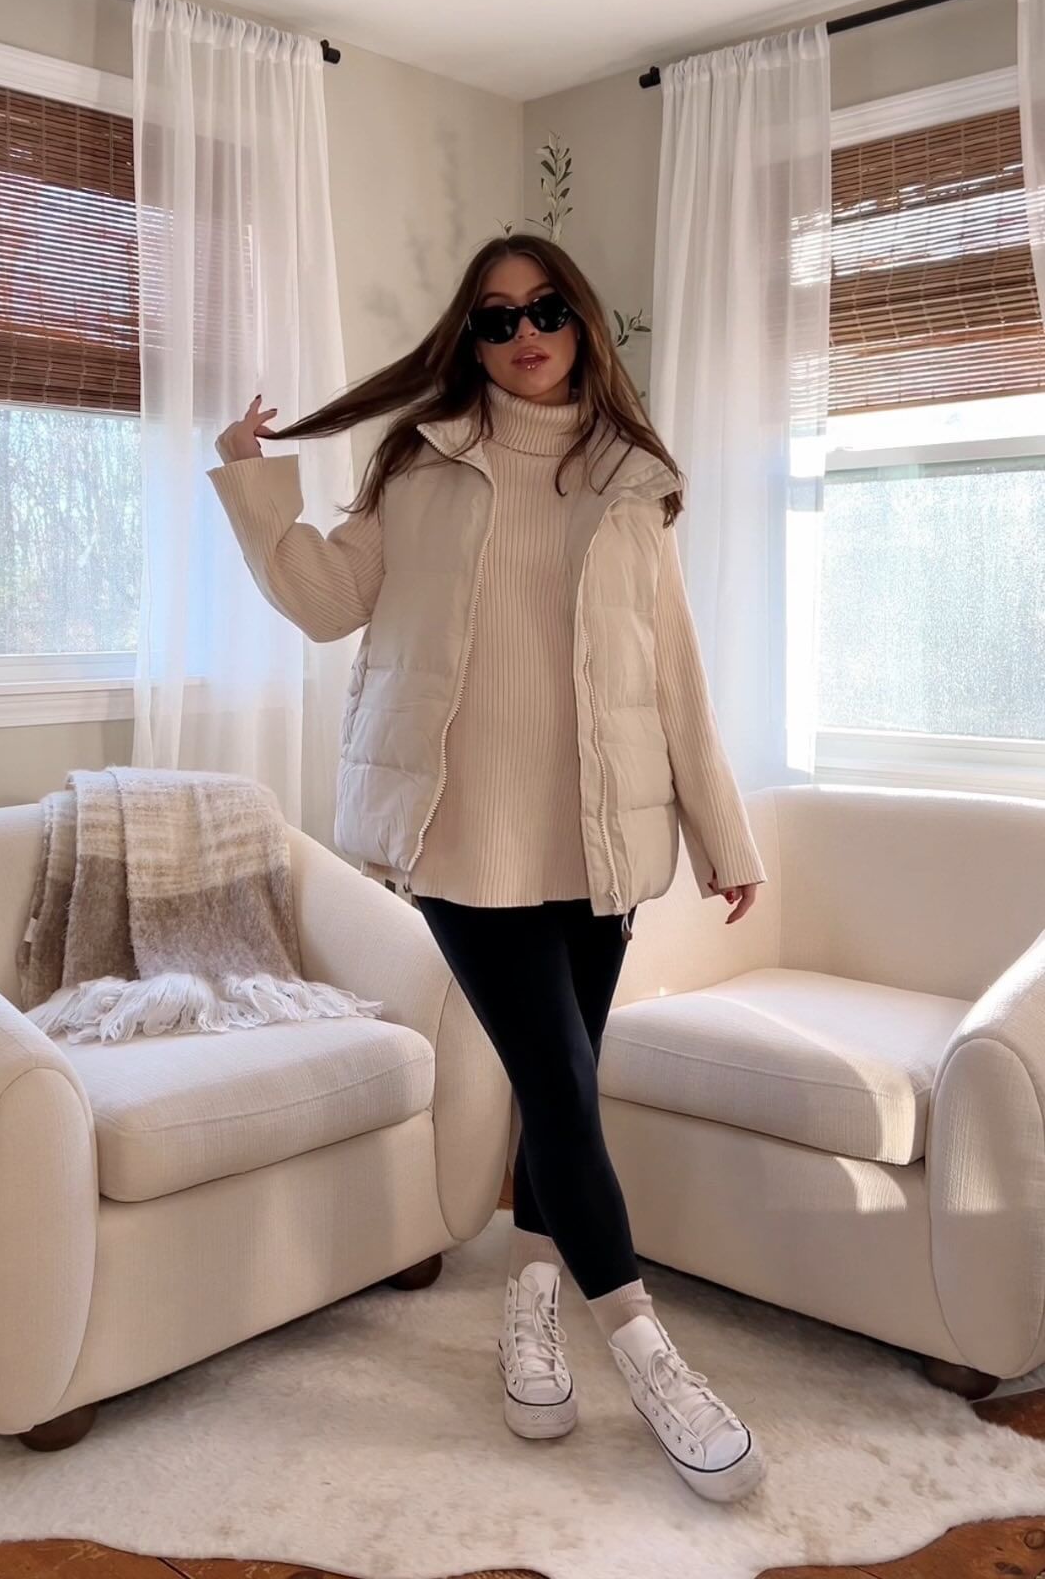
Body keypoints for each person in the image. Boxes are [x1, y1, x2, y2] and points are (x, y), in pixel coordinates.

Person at [208, 232, 769, 1504]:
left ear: (583, 324)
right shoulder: (422, 464)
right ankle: (647, 1350)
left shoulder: (631, 483)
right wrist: (251, 478)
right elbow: (323, 601)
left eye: (546, 310)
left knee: (556, 1093)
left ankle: (528, 1302)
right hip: (460, 831)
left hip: (601, 835)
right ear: (468, 339)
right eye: (496, 318)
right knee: (562, 1089)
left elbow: (675, 674)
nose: (524, 336)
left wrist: (724, 836)